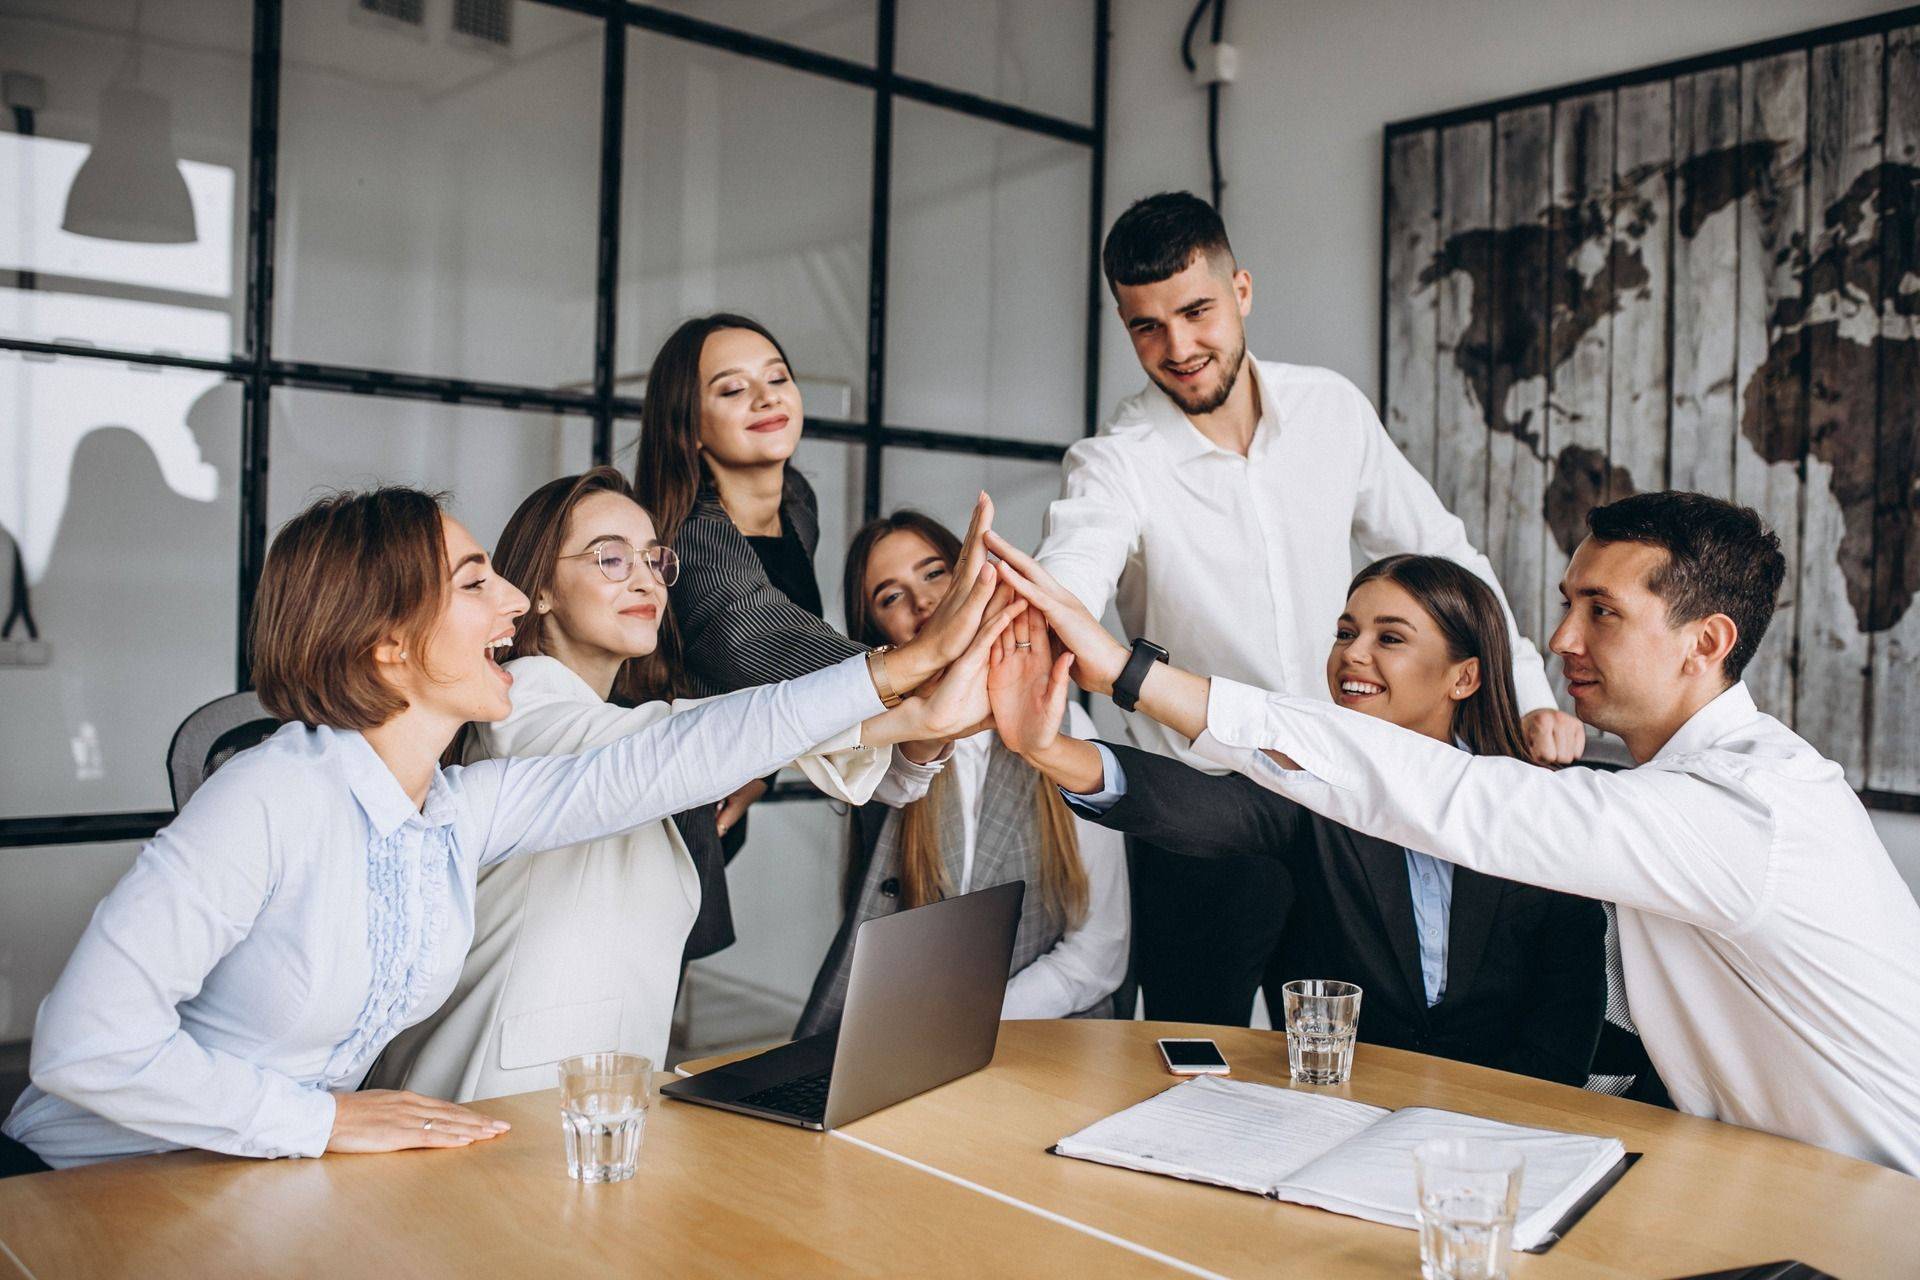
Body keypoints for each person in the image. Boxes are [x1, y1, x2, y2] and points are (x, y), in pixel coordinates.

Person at [1, 485, 1012, 1170]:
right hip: (78, 1187)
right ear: (388, 642)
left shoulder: (457, 811)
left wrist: (894, 675)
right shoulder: (265, 797)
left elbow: (664, 757)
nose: (516, 601)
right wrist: (321, 1119)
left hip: (253, 1178)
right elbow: (85, 1046)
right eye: (477, 580)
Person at [985, 492, 1920, 1175]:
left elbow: (1454, 798)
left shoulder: (1737, 808)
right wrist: (1057, 745)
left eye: (1604, 612)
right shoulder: (1679, 789)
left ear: (1706, 642)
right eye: (1567, 602)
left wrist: (1127, 672)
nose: (1560, 639)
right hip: (1780, 1176)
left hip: (1874, 1202)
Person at [1033, 191, 1585, 1027]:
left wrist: (1531, 696)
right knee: (1193, 1063)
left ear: (1242, 290)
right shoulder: (1116, 463)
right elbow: (1069, 575)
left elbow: (1447, 554)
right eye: (1146, 326)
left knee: (1353, 1060)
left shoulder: (1332, 409)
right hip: (1202, 819)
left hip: (1341, 810)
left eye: (1197, 311)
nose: (1178, 348)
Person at [369, 471, 962, 1102]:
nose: (645, 577)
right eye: (611, 557)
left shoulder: (624, 719)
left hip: (594, 1110)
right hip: (486, 1102)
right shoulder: (525, 705)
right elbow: (682, 745)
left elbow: (696, 745)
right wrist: (908, 681)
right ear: (537, 590)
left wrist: (923, 723)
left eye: (653, 558)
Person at [992, 554, 1605, 1084]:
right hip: (1341, 1112)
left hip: (1505, 1132)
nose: (1352, 655)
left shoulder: (1533, 808)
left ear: (1464, 676)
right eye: (1345, 633)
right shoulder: (1315, 788)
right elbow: (1200, 807)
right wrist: (1048, 748)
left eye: (1389, 638)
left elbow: (1565, 1021)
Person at [633, 314, 987, 956]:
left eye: (778, 378)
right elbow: (764, 644)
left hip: (719, 787)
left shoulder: (796, 504)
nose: (767, 397)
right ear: (688, 428)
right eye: (732, 389)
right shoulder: (686, 537)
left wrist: (762, 772)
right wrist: (933, 658)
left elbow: (764, 673)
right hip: (649, 802)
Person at [795, 512, 1129, 1036]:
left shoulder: (1065, 726)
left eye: (934, 574)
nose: (923, 603)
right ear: (875, 631)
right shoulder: (879, 745)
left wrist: (970, 1021)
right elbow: (897, 780)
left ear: (975, 575)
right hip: (905, 1031)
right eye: (890, 597)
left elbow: (1100, 950)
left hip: (1044, 1033)